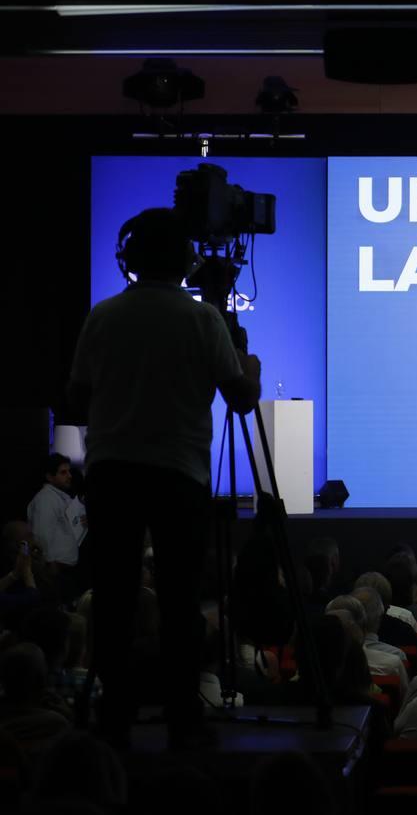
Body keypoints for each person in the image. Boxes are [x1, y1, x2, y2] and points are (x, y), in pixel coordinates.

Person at [68, 207, 262, 748]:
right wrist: (248, 363)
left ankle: (114, 716)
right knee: (179, 600)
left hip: (111, 472)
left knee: (114, 597)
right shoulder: (202, 320)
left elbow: (77, 398)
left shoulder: (102, 316)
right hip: (179, 475)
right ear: (186, 260)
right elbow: (242, 400)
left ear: (128, 257)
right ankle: (183, 716)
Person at [26, 453, 87, 596]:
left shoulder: (59, 497)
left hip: (65, 570)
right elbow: (41, 535)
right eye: (63, 472)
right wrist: (49, 563)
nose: (69, 476)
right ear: (49, 477)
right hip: (55, 571)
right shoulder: (46, 499)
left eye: (69, 471)